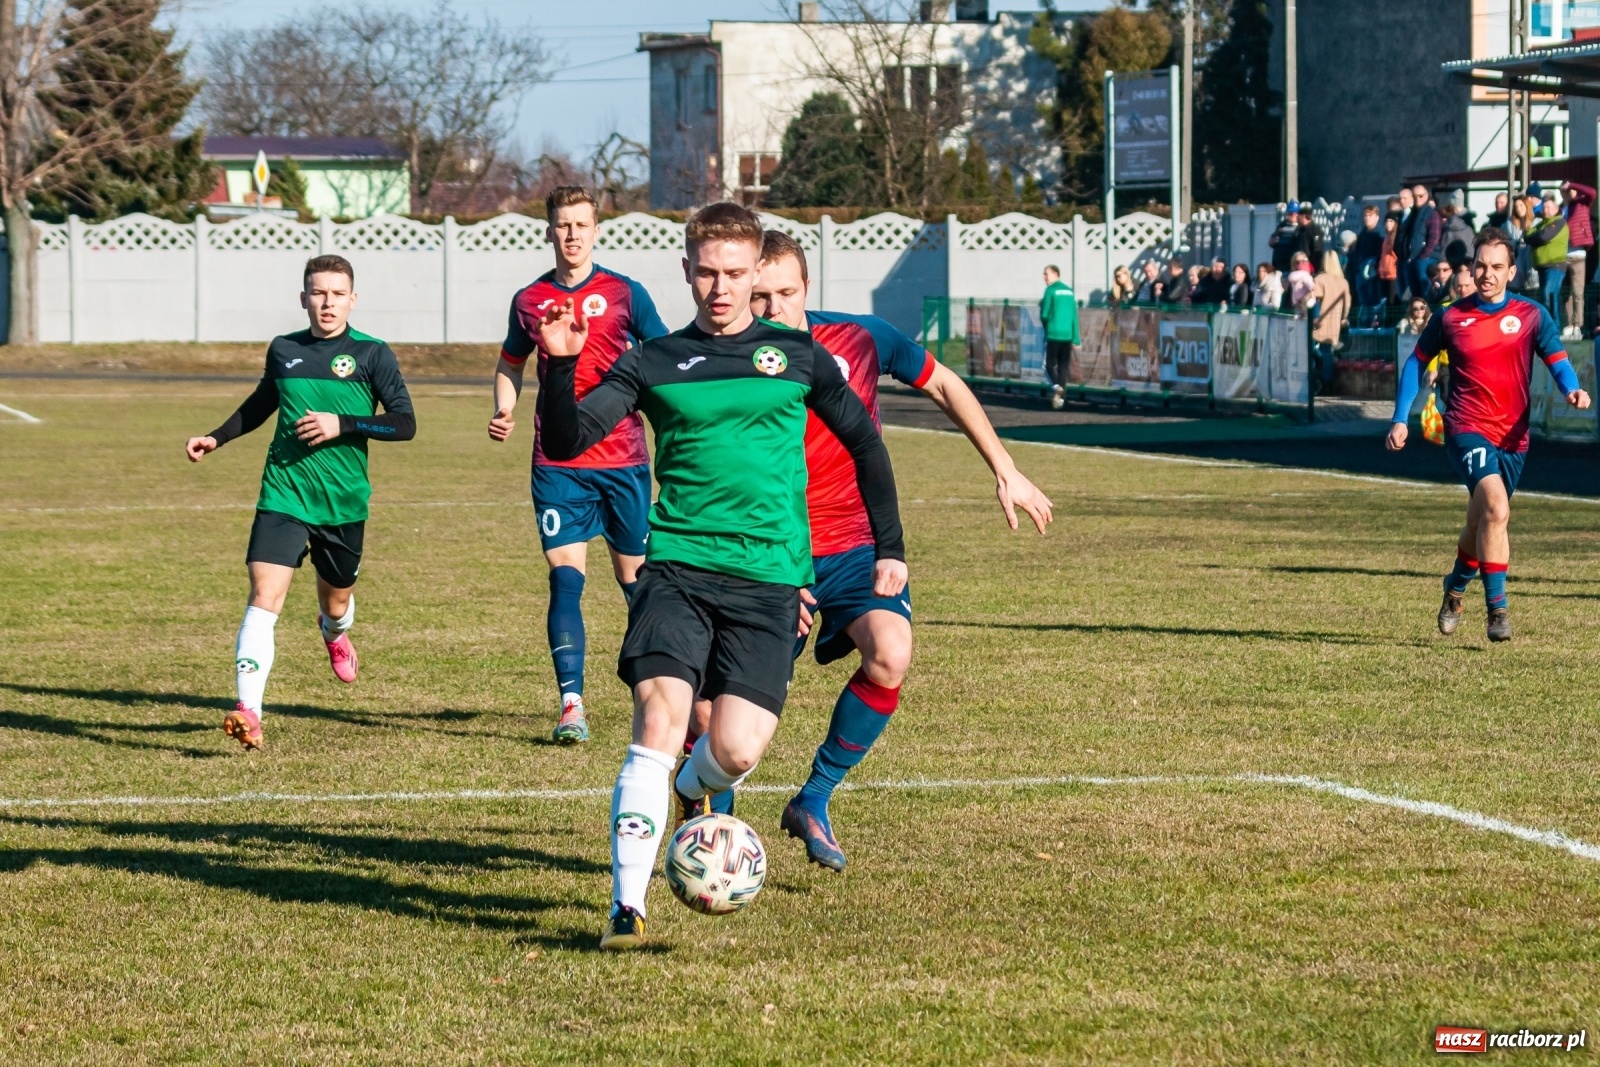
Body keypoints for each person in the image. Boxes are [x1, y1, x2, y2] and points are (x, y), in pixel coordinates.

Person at [534, 202, 908, 950]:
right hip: (676, 567)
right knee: (660, 717)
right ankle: (626, 907)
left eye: (735, 273)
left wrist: (890, 546)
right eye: (706, 272)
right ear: (686, 270)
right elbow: (572, 436)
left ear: (754, 271)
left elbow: (867, 443)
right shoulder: (653, 359)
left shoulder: (799, 357)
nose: (721, 287)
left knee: (735, 750)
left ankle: (684, 791)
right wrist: (562, 364)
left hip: (770, 580)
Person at [694, 230, 1054, 871]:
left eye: (787, 293)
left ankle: (814, 799)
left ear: (808, 288)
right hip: (772, 553)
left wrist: (1004, 467)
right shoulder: (726, 360)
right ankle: (706, 817)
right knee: (722, 714)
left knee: (891, 652)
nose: (774, 308)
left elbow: (943, 384)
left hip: (857, 545)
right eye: (761, 295)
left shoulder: (859, 339)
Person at [184, 255, 416, 750]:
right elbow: (263, 400)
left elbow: (404, 422)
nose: (327, 302)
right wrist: (217, 437)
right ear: (303, 297)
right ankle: (249, 709)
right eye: (318, 292)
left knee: (337, 599)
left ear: (353, 299)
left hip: (342, 502)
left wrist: (344, 423)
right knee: (263, 597)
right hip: (284, 491)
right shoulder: (284, 348)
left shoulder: (372, 354)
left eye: (337, 293)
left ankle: (333, 630)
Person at [487, 186, 669, 744]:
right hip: (558, 461)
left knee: (636, 583)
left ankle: (663, 692)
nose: (571, 235)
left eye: (581, 225)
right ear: (549, 231)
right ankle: (572, 706)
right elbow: (509, 362)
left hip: (623, 460)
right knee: (565, 580)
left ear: (596, 230)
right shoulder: (530, 299)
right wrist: (504, 407)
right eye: (562, 225)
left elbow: (663, 359)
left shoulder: (625, 294)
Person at [1387, 230, 1590, 643]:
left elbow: (1557, 358)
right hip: (1465, 428)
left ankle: (1455, 587)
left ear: (1512, 271)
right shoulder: (1450, 316)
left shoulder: (1532, 315)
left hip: (1513, 437)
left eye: (1497, 267)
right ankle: (1498, 612)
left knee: (1480, 521)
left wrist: (1571, 387)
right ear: (1472, 267)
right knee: (1497, 509)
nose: (1487, 274)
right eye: (1481, 265)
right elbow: (1416, 362)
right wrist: (1400, 417)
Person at [1039, 265, 1080, 408]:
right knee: (1063, 367)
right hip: (1067, 335)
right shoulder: (1069, 291)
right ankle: (1061, 400)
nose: (1044, 277)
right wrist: (1076, 338)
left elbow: (1044, 314)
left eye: (1046, 274)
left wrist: (1046, 327)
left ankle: (1057, 387)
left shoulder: (1050, 290)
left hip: (1053, 333)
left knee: (1047, 366)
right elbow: (1074, 316)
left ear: (1055, 274)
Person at [1526, 191, 1569, 320]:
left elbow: (1544, 236)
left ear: (1556, 209)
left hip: (1555, 265)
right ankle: (1548, 325)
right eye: (1544, 207)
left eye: (1549, 207)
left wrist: (1535, 237)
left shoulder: (1560, 222)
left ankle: (1554, 326)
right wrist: (1535, 236)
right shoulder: (1541, 224)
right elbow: (1527, 236)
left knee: (1549, 295)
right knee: (1544, 297)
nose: (1545, 210)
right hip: (1542, 265)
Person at [1561, 180, 1595, 340]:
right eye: (1564, 191)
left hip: (1578, 253)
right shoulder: (1560, 209)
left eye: (1569, 191)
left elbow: (1592, 192)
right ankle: (1569, 324)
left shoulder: (1581, 203)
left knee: (1578, 291)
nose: (1567, 193)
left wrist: (1573, 185)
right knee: (1565, 293)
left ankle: (1578, 325)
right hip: (1561, 255)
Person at [1311, 250, 1350, 383]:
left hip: (1319, 320)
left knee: (1311, 348)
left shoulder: (1319, 280)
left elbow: (1314, 300)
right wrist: (1343, 318)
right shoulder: (1343, 282)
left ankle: (1315, 380)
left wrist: (1314, 317)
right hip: (1335, 321)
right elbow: (1347, 303)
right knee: (1327, 350)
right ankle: (1328, 381)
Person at [1405, 184, 1441, 303]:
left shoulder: (1432, 213)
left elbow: (1434, 238)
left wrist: (1423, 256)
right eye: (1414, 196)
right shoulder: (1413, 214)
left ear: (1427, 196)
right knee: (1415, 296)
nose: (1418, 199)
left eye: (1421, 196)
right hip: (1412, 259)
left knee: (1426, 293)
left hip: (1425, 260)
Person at [1351, 204, 1385, 311]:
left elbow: (1379, 253)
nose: (1367, 218)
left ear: (1377, 217)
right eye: (1365, 215)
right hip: (1360, 270)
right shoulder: (1362, 234)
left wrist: (1373, 264)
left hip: (1371, 271)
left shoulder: (1378, 234)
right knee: (1363, 299)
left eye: (1370, 215)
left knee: (1373, 298)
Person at [1438, 190, 1476, 270]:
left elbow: (1443, 248)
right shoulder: (1469, 225)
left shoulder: (1447, 228)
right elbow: (1471, 248)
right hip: (1465, 265)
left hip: (1448, 266)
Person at [1269, 202, 1301, 275]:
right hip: (1279, 261)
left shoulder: (1300, 228)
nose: (1292, 216)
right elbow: (1273, 239)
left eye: (1295, 213)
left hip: (1291, 261)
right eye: (1290, 214)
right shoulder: (1282, 225)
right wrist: (1272, 241)